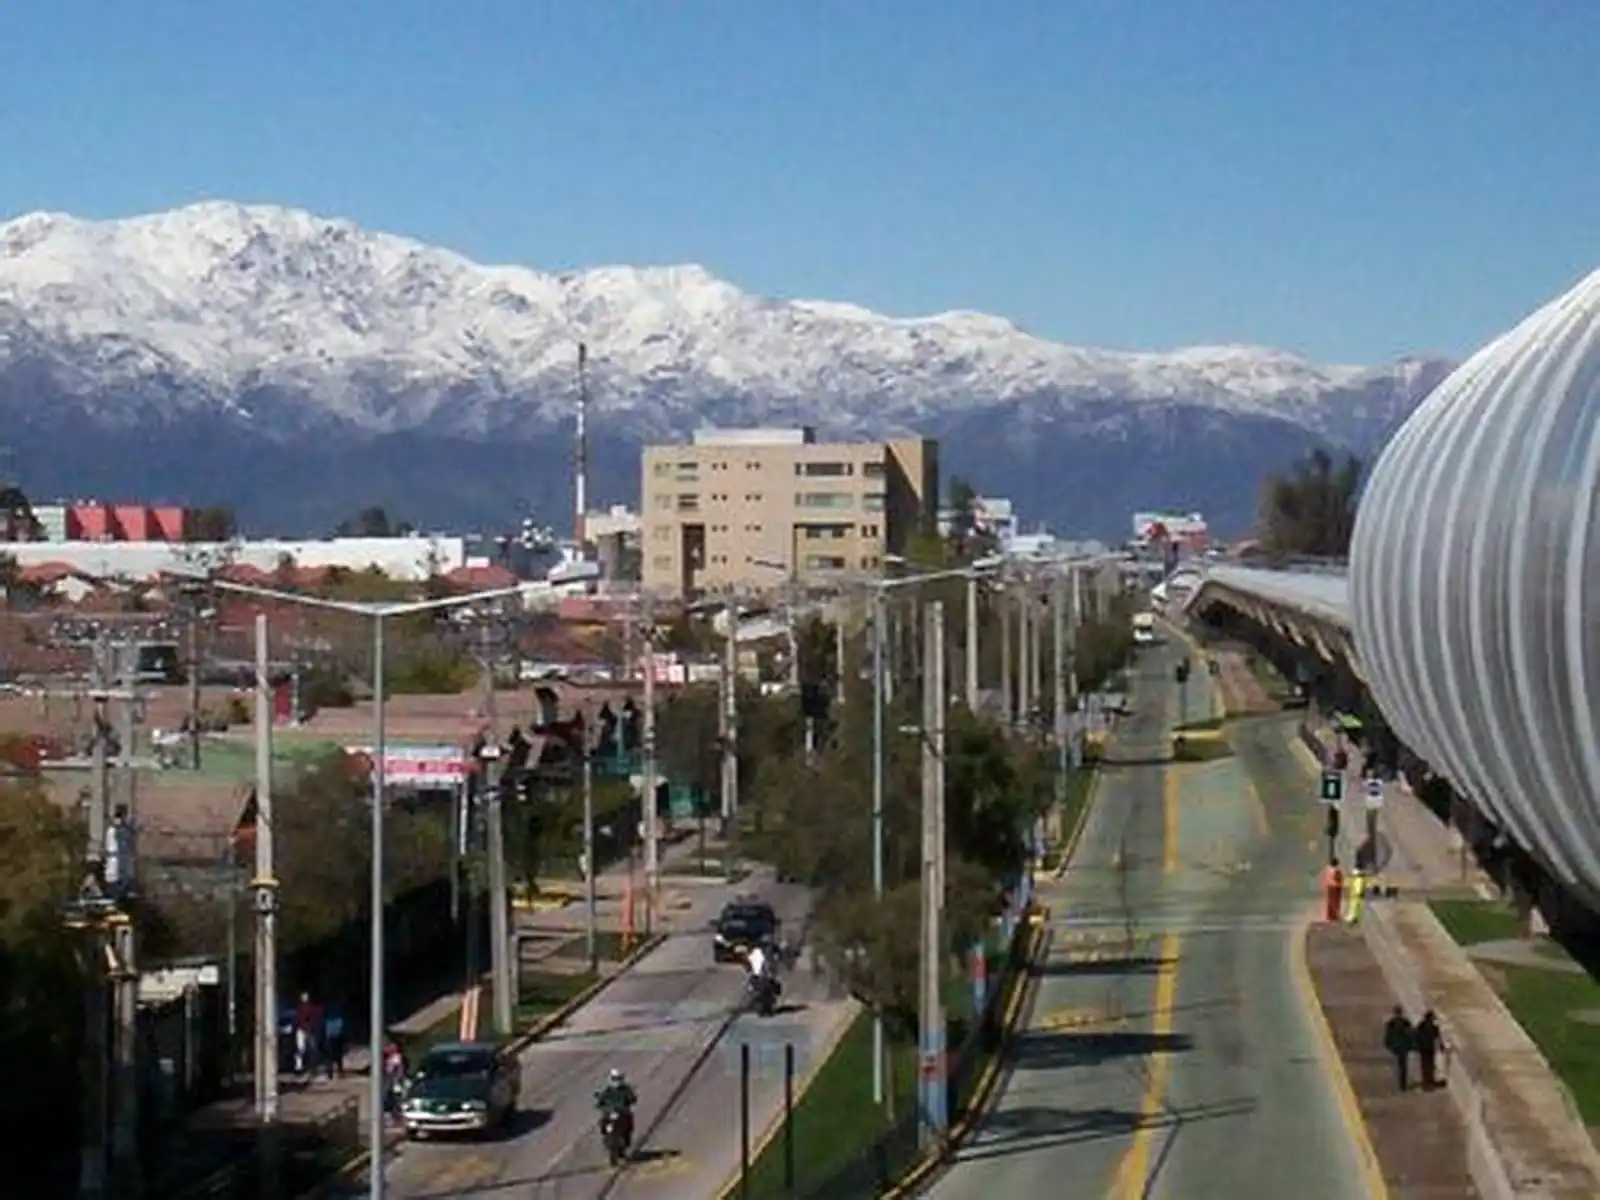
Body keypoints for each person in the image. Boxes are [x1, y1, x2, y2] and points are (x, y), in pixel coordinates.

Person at [1382, 1005, 1415, 1092]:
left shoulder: (1391, 1023)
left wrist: (1389, 1045)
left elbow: (1387, 1036)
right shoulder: (1406, 1022)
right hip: (1404, 1046)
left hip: (1397, 1046)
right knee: (1403, 1065)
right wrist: (1411, 1045)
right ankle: (1402, 1084)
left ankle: (1402, 1083)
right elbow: (1411, 1034)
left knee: (1400, 1064)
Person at [1415, 1010, 1445, 1089]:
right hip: (1425, 1048)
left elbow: (1438, 1037)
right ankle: (1427, 1082)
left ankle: (1428, 1081)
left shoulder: (1426, 1026)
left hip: (1428, 1048)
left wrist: (1441, 1046)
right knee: (1427, 1065)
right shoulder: (1423, 1026)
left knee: (1428, 1065)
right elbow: (1417, 1036)